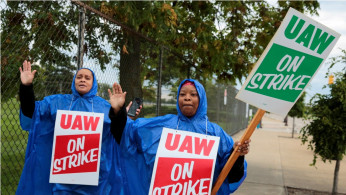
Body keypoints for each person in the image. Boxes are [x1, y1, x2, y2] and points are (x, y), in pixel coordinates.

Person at [108, 79, 250, 195]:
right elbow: (127, 135)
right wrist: (118, 110)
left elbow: (232, 175)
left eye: (193, 94)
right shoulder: (162, 125)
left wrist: (238, 154)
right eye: (182, 94)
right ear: (177, 98)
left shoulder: (215, 133)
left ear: (201, 99)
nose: (187, 97)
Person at [17, 60, 140, 194]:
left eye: (87, 78)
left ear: (93, 83)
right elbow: (31, 111)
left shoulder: (103, 106)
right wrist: (26, 87)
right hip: (62, 174)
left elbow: (118, 132)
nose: (82, 80)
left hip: (97, 175)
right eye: (79, 77)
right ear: (74, 81)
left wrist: (119, 112)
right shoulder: (57, 102)